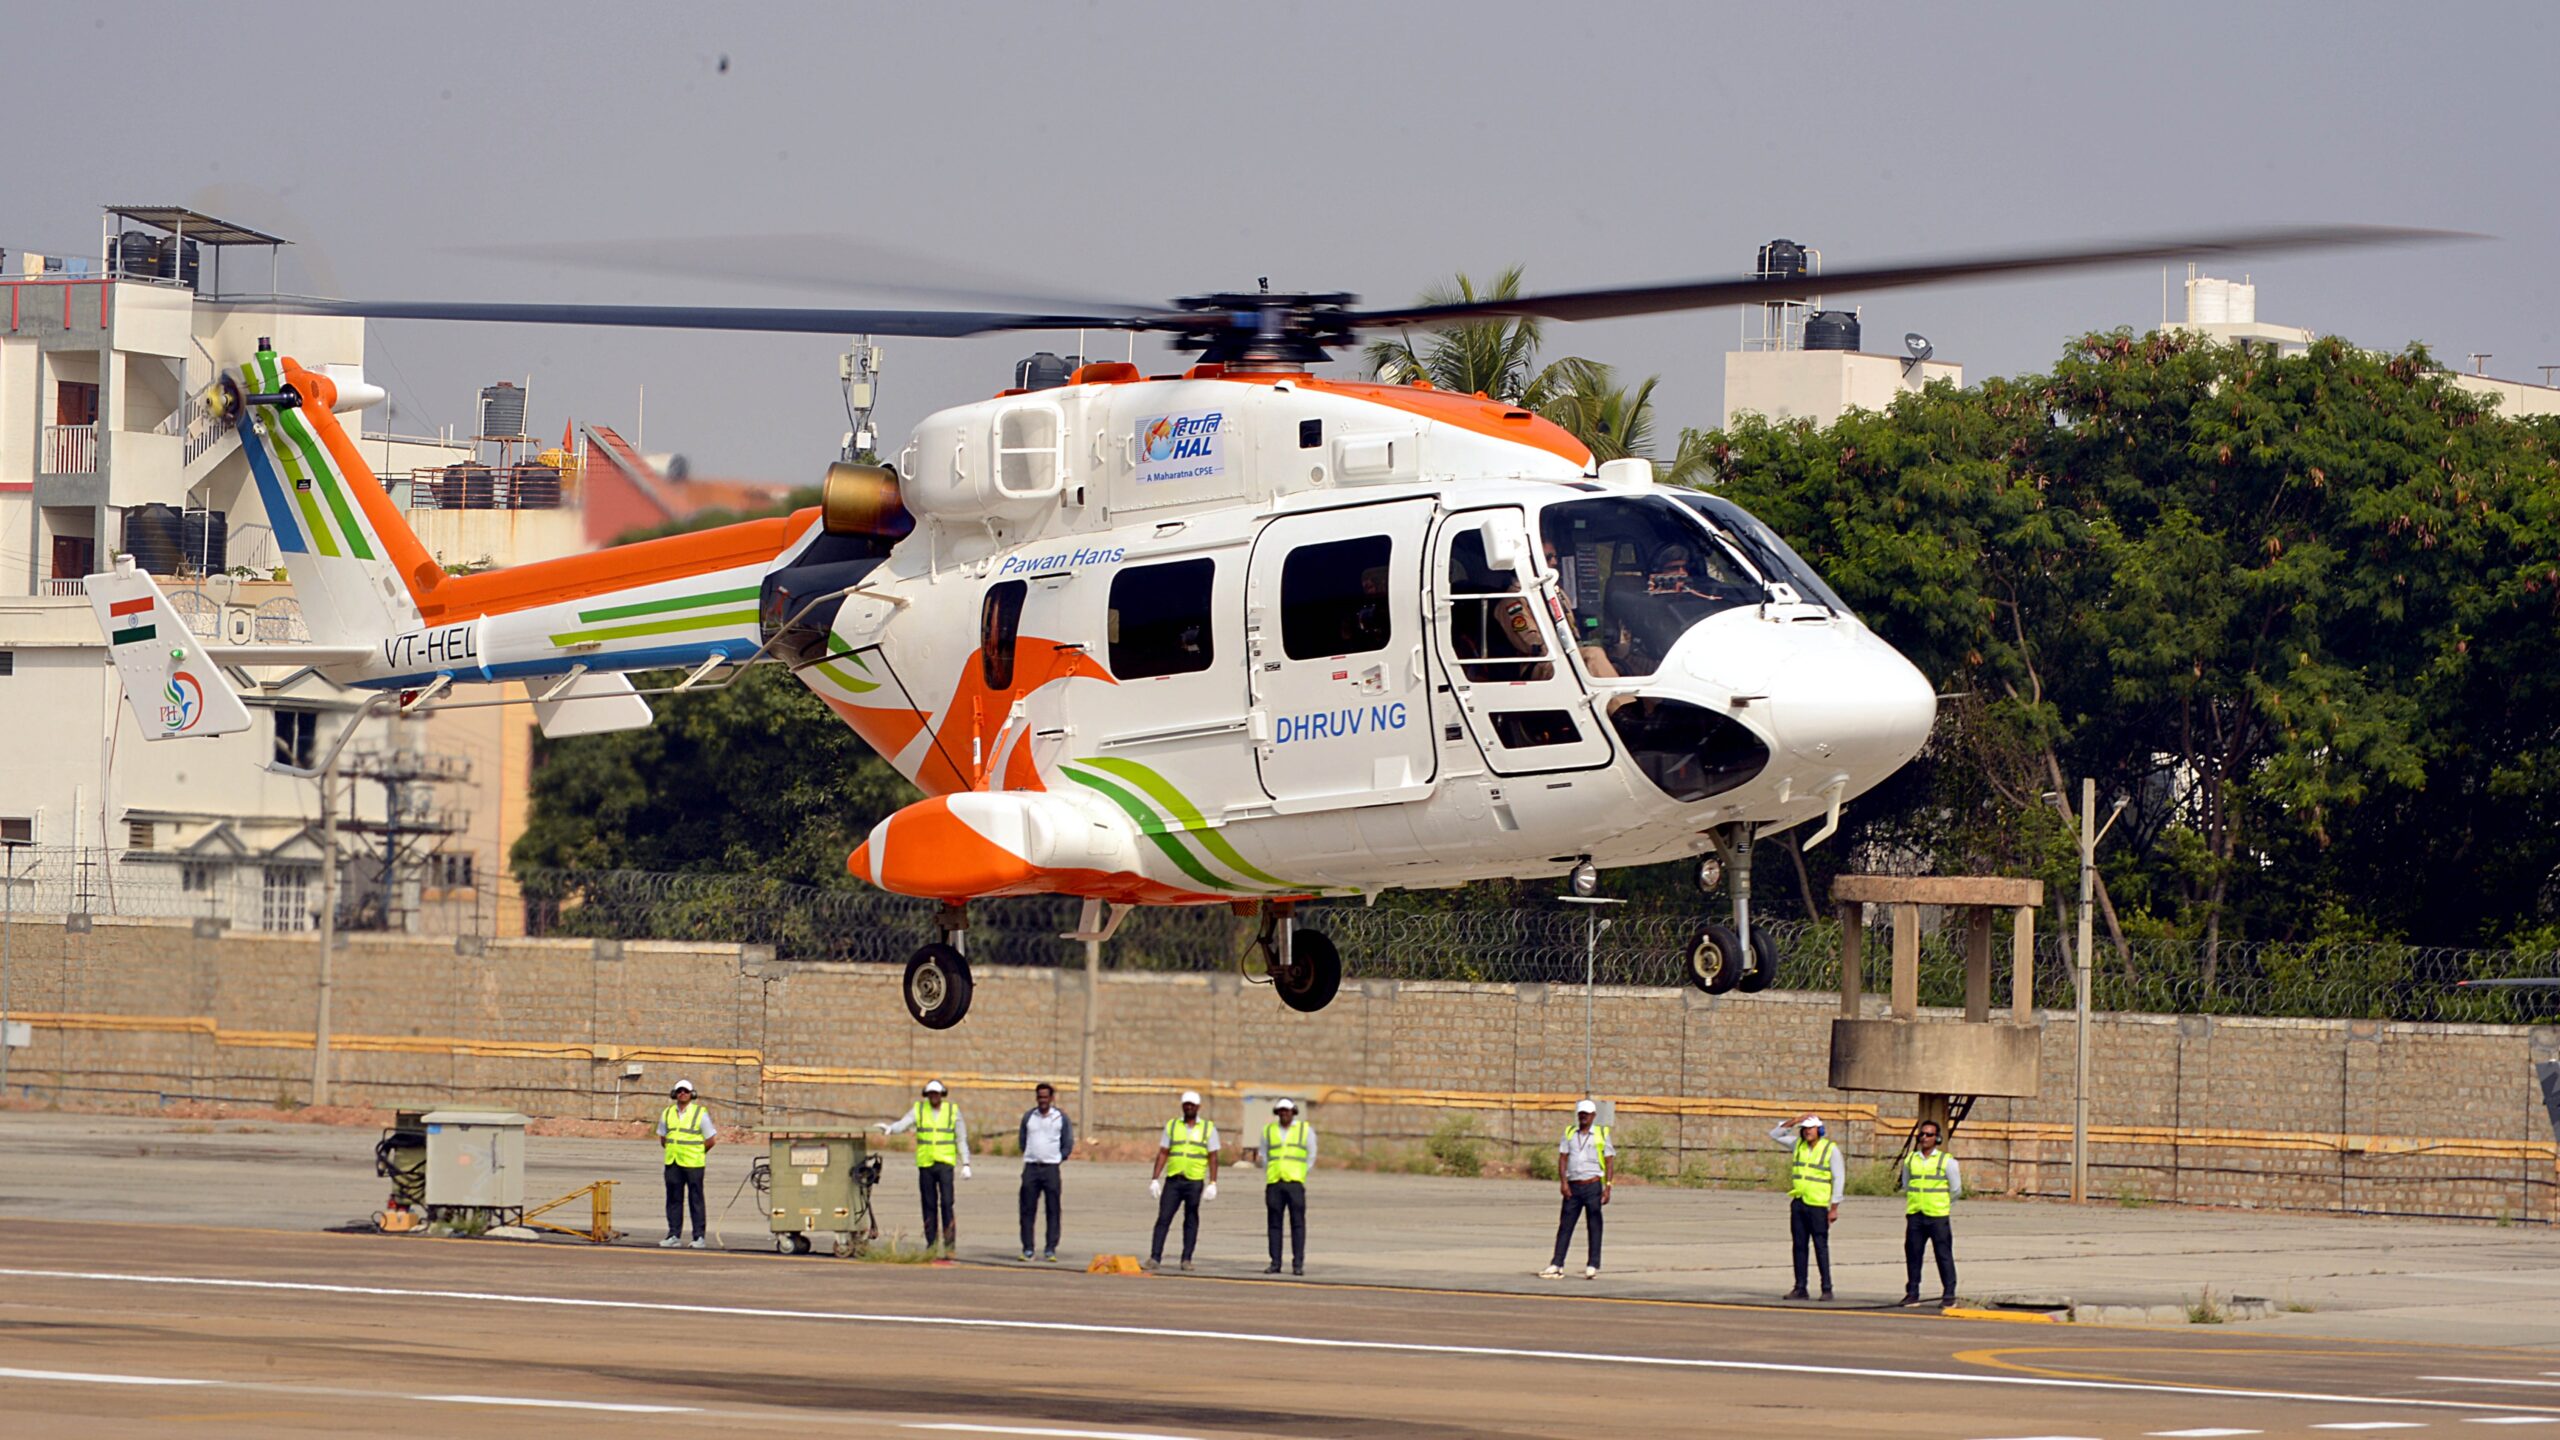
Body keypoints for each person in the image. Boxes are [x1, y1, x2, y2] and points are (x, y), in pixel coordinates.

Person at [878, 1079, 971, 1253]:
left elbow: (961, 1138)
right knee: (928, 1205)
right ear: (926, 1094)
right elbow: (904, 1123)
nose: (933, 1097)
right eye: (930, 1094)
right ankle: (931, 1244)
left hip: (945, 1164)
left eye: (936, 1093)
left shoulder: (952, 1111)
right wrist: (891, 1129)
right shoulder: (919, 1109)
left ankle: (949, 1245)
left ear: (942, 1094)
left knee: (947, 1204)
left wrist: (966, 1162)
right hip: (926, 1164)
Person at [1770, 1114, 1846, 1300]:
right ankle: (1800, 1287)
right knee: (1799, 1246)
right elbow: (1775, 1134)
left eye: (1810, 1128)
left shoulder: (1830, 1149)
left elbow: (1839, 1178)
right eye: (1804, 1129)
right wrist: (1794, 1120)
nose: (1807, 1132)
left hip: (1818, 1205)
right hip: (1799, 1202)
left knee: (1821, 1246)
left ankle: (1826, 1288)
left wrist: (1834, 1207)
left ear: (1819, 1130)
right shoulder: (1798, 1145)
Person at [1146, 1090, 1219, 1272]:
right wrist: (1155, 1178)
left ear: (1198, 1107)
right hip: (1174, 1180)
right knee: (1164, 1218)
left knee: (1191, 1219)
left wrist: (1213, 1182)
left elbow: (1213, 1156)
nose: (1188, 1108)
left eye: (1192, 1105)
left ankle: (1186, 1258)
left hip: (1194, 1181)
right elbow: (1164, 1152)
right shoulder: (1172, 1126)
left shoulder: (1207, 1128)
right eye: (1186, 1104)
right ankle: (1155, 1257)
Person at [1540, 1099, 1612, 1280]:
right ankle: (1557, 1263)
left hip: (1593, 1184)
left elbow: (1609, 1160)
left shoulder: (1601, 1134)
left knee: (1594, 1225)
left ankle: (1593, 1264)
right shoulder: (1570, 1133)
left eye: (1587, 1114)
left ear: (1593, 1116)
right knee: (1565, 1225)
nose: (1583, 1117)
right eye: (1581, 1114)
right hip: (1573, 1187)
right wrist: (1563, 1182)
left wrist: (1608, 1186)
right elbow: (1563, 1157)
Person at [1243, 1098, 1315, 1275]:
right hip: (1275, 1182)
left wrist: (1301, 1173)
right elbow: (1264, 1155)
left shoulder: (1305, 1131)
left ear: (1293, 1112)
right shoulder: (1268, 1131)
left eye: (1287, 1110)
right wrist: (1272, 1172)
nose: (1284, 1113)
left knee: (1297, 1224)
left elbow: (1311, 1155)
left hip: (1295, 1183)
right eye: (1281, 1110)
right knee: (1274, 1224)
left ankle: (1298, 1264)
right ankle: (1275, 1262)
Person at [1899, 1120, 1962, 1308]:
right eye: (1922, 1134)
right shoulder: (1911, 1159)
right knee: (1913, 1254)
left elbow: (1956, 1189)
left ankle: (1949, 1294)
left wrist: (1942, 1203)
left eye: (1929, 1135)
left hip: (1937, 1216)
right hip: (1916, 1214)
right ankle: (1912, 1293)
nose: (1924, 1138)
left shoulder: (1946, 1161)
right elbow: (1906, 1183)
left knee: (1943, 1255)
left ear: (1937, 1138)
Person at [655, 1079, 717, 1250]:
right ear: (675, 1093)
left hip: (693, 1163)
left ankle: (699, 1237)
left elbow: (710, 1140)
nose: (683, 1093)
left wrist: (697, 1152)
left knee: (695, 1200)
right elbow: (663, 1138)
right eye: (680, 1091)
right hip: (673, 1162)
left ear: (692, 1094)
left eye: (686, 1091)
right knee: (673, 1200)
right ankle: (673, 1234)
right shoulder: (667, 1113)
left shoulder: (699, 1113)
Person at [1017, 1082, 1074, 1263]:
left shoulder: (1060, 1118)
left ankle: (1050, 1248)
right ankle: (1027, 1249)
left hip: (1051, 1169)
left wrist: (1059, 1158)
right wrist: (1031, 1154)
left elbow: (1068, 1142)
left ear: (1051, 1098)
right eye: (1039, 1097)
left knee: (1053, 1209)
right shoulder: (1029, 1117)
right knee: (1027, 1210)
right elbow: (1022, 1140)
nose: (1042, 1100)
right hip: (1032, 1168)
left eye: (1045, 1097)